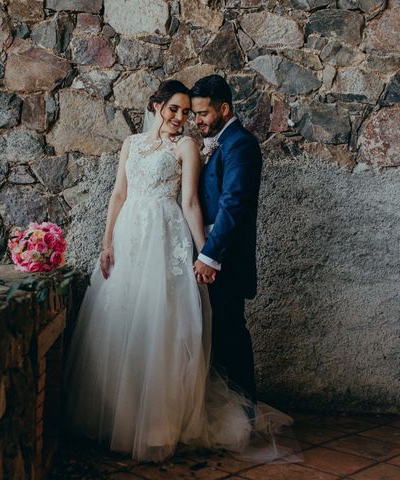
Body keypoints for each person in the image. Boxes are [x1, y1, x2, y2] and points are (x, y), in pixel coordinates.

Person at [64, 79, 294, 463]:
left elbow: (191, 203)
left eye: (190, 112)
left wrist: (205, 255)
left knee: (166, 326)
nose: (183, 117)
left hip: (166, 239)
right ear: (156, 106)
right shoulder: (131, 145)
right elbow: (118, 194)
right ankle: (121, 417)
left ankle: (159, 423)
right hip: (129, 238)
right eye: (176, 109)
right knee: (121, 322)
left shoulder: (189, 147)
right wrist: (106, 243)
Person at [190, 75, 261, 405]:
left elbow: (234, 203)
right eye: (195, 114)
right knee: (216, 336)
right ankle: (226, 409)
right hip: (211, 256)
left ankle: (246, 411)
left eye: (203, 113)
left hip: (227, 262)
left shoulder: (240, 144)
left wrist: (209, 255)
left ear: (224, 108)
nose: (197, 120)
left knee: (231, 336)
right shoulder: (218, 142)